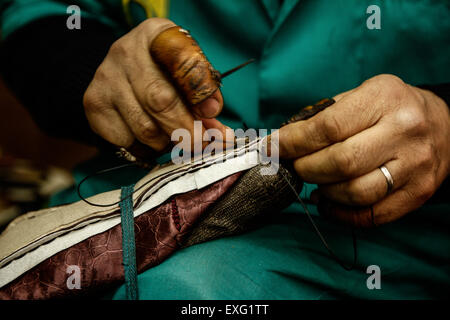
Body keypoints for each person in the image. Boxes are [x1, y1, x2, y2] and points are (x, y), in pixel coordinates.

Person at [0, 0, 449, 299]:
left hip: (398, 237)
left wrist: (445, 121)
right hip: (135, 186)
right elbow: (38, 11)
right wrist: (98, 74)